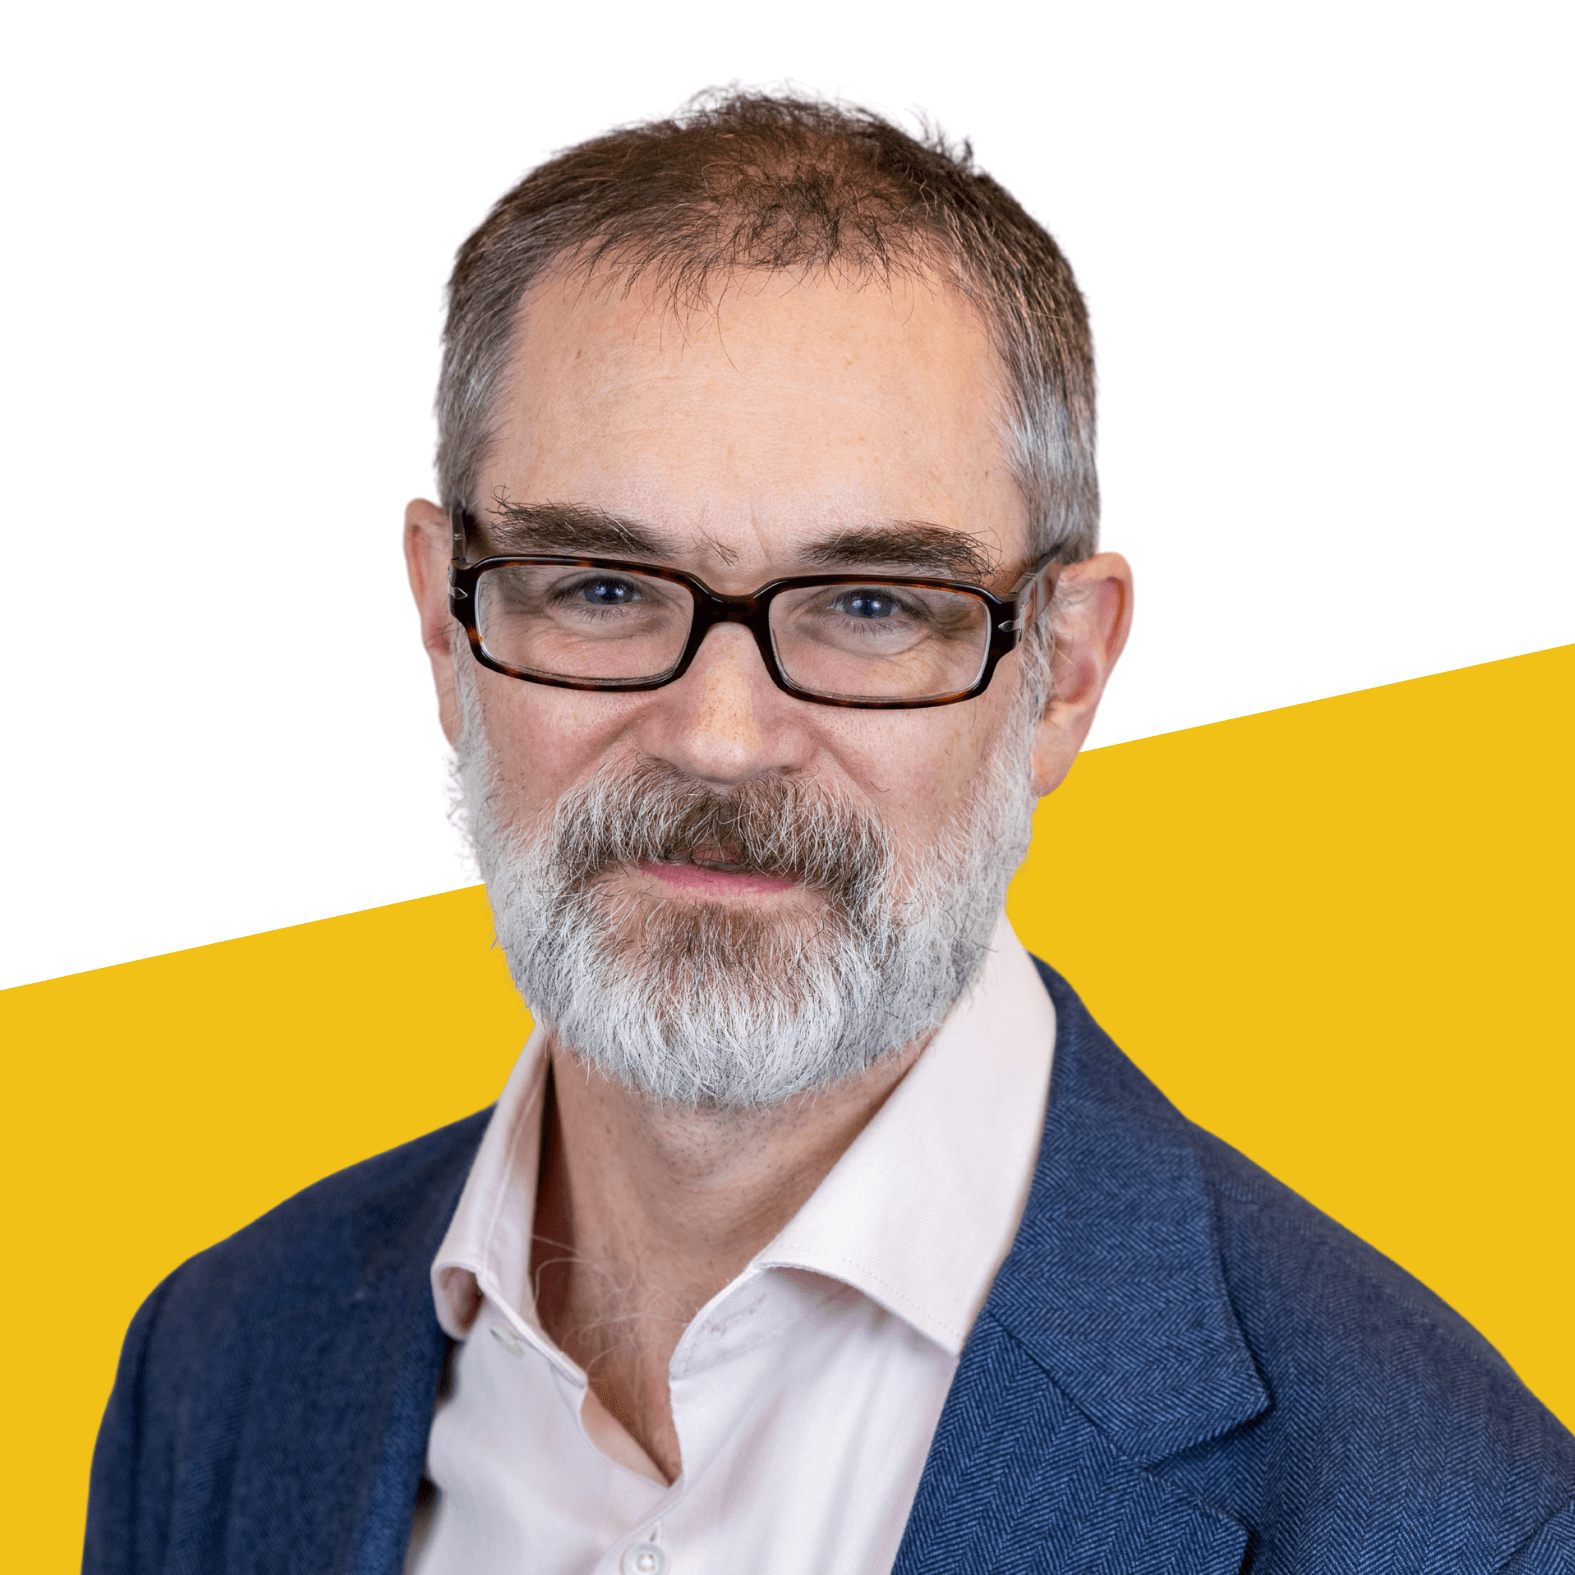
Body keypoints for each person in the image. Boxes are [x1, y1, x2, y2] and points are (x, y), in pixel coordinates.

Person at [85, 91, 1574, 1575]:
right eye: (601, 585)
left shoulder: (1451, 1517)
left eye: (870, 604)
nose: (720, 739)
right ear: (443, 621)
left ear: (1060, 668)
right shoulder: (217, 1368)